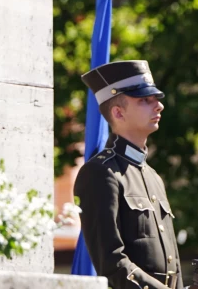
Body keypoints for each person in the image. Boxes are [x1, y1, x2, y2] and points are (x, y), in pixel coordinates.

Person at [75, 60, 183, 289]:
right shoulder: (101, 173)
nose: (159, 106)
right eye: (145, 100)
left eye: (156, 99)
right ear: (118, 112)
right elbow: (111, 262)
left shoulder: (153, 177)